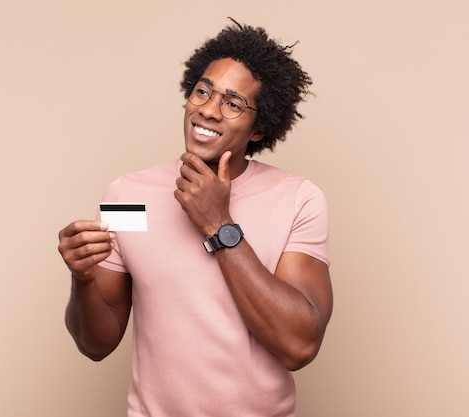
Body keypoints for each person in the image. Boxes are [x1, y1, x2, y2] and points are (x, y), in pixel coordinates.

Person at [58, 18, 333, 417]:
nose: (208, 110)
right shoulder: (128, 198)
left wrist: (220, 226)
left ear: (259, 129)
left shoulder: (298, 200)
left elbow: (299, 346)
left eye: (233, 103)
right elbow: (96, 345)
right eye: (203, 92)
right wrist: (82, 279)